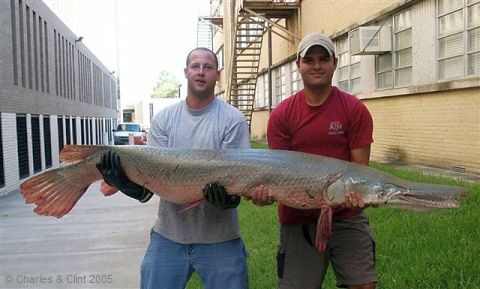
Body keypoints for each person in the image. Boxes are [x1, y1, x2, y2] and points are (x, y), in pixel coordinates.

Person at [96, 47, 251, 289]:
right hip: (169, 235)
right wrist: (128, 184)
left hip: (220, 237)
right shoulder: (164, 120)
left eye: (208, 67)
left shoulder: (233, 120)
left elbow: (237, 178)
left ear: (218, 74)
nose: (201, 72)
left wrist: (228, 198)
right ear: (186, 72)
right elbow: (153, 181)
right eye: (195, 66)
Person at [258, 32, 377, 289]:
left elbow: (360, 172)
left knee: (363, 286)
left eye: (323, 59)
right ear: (298, 65)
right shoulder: (282, 115)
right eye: (309, 59)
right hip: (298, 220)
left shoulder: (354, 109)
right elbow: (277, 173)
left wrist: (360, 194)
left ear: (335, 62)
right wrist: (263, 193)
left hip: (347, 216)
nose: (316, 65)